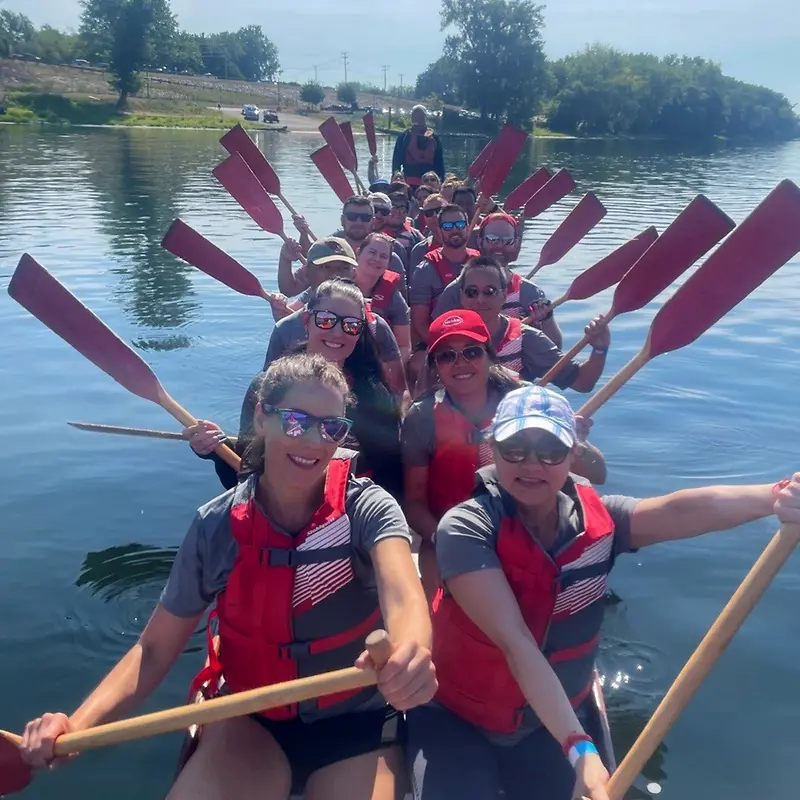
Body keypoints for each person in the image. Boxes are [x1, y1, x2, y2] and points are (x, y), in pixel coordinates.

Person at [20, 353, 436, 800]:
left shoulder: (368, 509)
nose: (315, 441)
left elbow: (404, 594)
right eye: (297, 422)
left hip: (356, 718)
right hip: (252, 720)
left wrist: (412, 651)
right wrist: (77, 725)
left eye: (332, 427)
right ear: (262, 416)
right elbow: (155, 648)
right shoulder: (216, 525)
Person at [406, 383, 800, 800]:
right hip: (457, 716)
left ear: (574, 455)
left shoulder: (602, 522)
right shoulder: (465, 528)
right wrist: (580, 750)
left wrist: (776, 495)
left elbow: (679, 510)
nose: (532, 464)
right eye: (515, 448)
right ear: (492, 450)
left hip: (549, 724)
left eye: (551, 450)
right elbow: (516, 644)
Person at [401, 311, 607, 600]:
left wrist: (571, 441)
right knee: (442, 617)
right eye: (447, 356)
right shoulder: (422, 418)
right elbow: (415, 502)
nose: (460, 363)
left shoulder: (528, 402)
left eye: (471, 352)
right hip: (448, 537)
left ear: (489, 355)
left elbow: (598, 473)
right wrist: (448, 540)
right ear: (435, 365)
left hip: (523, 535)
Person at [192, 279, 406, 500]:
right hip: (281, 515)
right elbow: (247, 475)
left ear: (359, 332)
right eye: (325, 320)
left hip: (351, 515)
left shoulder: (375, 395)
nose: (337, 332)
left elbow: (390, 476)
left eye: (351, 325)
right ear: (306, 320)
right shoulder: (267, 387)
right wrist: (216, 449)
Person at [265, 240, 408, 404]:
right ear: (307, 272)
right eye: (326, 267)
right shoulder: (285, 328)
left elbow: (400, 391)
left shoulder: (376, 326)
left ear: (353, 273)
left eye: (343, 268)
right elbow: (267, 390)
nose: (335, 275)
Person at [454, 256, 608, 391]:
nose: (480, 299)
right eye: (472, 292)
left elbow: (583, 382)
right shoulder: (447, 337)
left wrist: (599, 350)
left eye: (489, 291)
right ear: (462, 296)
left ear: (504, 295)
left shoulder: (526, 338)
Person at [434, 213, 564, 347]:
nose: (499, 245)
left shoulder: (531, 293)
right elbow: (437, 341)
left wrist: (547, 320)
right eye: (492, 239)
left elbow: (555, 347)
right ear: (480, 241)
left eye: (507, 240)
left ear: (516, 244)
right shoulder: (455, 291)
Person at [283, 199, 407, 297]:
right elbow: (289, 289)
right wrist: (285, 259)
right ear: (342, 220)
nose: (358, 222)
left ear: (373, 222)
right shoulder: (326, 253)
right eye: (352, 216)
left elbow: (403, 308)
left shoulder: (389, 259)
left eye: (365, 217)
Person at [409, 204, 480, 343]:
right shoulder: (424, 270)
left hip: (477, 337)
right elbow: (420, 324)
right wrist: (444, 347)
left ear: (467, 227)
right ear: (440, 231)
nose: (455, 230)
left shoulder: (481, 264)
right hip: (439, 340)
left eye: (460, 224)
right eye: (448, 226)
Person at [354, 232, 412, 363]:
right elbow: (298, 311)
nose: (377, 259)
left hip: (374, 363)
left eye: (383, 256)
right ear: (359, 253)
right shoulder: (337, 282)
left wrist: (385, 372)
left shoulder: (393, 296)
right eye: (372, 252)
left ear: (388, 263)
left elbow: (404, 346)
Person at [392, 105, 445, 186]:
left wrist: (441, 180)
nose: (418, 118)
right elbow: (396, 161)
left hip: (428, 182)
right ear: (412, 117)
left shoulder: (434, 138)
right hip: (409, 180)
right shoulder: (404, 137)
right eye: (415, 115)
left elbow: (439, 162)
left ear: (425, 117)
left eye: (420, 115)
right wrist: (396, 178)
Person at [408, 193, 446, 272]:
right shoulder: (419, 250)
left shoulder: (462, 241)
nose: (435, 215)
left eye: (439, 210)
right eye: (429, 213)